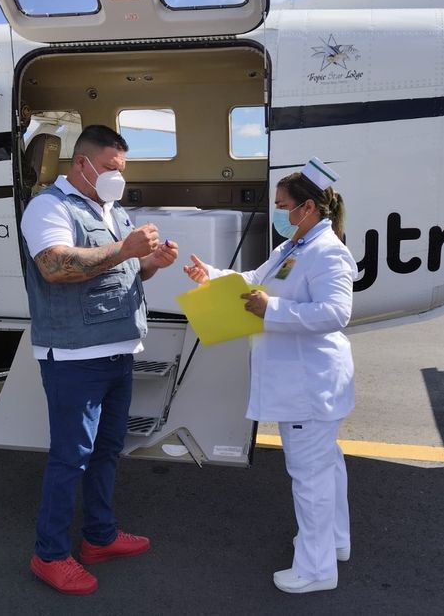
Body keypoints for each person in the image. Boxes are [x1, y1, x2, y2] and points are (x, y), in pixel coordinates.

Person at [184, 157, 356, 594]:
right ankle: (334, 543)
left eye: (282, 205)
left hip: (308, 385)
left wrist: (272, 309)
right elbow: (253, 281)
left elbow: (337, 313)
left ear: (307, 207)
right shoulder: (293, 247)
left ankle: (315, 569)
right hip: (302, 380)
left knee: (310, 476)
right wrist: (211, 277)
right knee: (325, 466)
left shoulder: (327, 252)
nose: (277, 212)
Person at [20, 125, 179, 595]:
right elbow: (55, 267)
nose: (117, 177)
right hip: (75, 357)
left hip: (118, 350)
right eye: (110, 167)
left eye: (122, 169)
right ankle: (50, 555)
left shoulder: (113, 210)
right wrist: (126, 247)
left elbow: (124, 268)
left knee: (107, 451)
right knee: (71, 458)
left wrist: (150, 263)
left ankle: (100, 537)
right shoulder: (48, 207)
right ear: (81, 163)